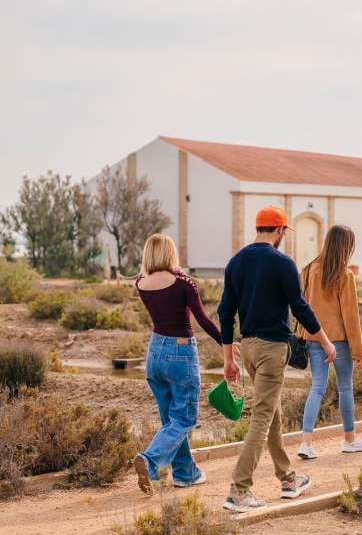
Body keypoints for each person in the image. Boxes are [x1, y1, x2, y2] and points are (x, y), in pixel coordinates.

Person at [217, 205, 337, 512]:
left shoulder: (236, 262)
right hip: (272, 349)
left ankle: (288, 478)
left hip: (248, 348)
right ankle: (239, 490)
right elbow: (300, 307)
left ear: (258, 228)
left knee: (272, 414)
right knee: (262, 418)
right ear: (280, 230)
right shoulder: (283, 263)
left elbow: (225, 312)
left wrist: (228, 358)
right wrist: (325, 341)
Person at [130, 234, 226, 494]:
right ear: (170, 253)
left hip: (154, 354)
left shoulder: (141, 283)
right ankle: (149, 460)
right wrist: (226, 343)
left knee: (171, 421)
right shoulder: (184, 283)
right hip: (180, 352)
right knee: (184, 418)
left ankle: (185, 473)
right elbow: (203, 319)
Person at [296, 225, 362, 459]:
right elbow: (351, 316)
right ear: (345, 246)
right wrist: (359, 352)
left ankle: (305, 444)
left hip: (314, 337)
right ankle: (349, 440)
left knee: (317, 387)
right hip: (339, 340)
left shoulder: (308, 270)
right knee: (345, 388)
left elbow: (301, 306)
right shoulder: (344, 275)